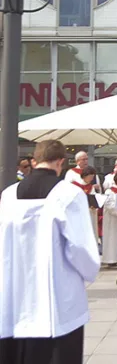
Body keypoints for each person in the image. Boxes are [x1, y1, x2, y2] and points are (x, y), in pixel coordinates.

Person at [0, 140, 100, 364]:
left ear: (35, 160)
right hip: (57, 291)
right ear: (61, 162)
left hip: (14, 290)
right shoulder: (69, 194)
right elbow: (80, 247)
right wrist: (90, 271)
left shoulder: (8, 195)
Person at [71, 165, 101, 243]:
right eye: (90, 177)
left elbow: (94, 198)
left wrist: (94, 205)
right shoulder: (74, 185)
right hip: (78, 213)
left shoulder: (91, 187)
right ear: (84, 176)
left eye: (92, 178)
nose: (91, 179)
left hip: (90, 213)